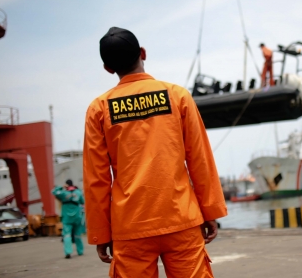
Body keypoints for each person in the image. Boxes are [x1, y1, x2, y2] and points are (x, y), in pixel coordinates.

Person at [83, 27, 227, 278]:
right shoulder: (177, 96)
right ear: (143, 53)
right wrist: (210, 211)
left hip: (130, 227)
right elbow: (199, 159)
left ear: (108, 68)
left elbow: (97, 179)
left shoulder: (99, 109)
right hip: (182, 219)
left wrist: (101, 233)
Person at [52, 179, 85, 259]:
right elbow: (82, 201)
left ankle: (68, 252)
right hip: (77, 216)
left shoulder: (63, 193)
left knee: (67, 235)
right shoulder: (78, 192)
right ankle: (80, 251)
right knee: (78, 234)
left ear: (66, 185)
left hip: (67, 217)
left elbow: (54, 192)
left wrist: (60, 187)